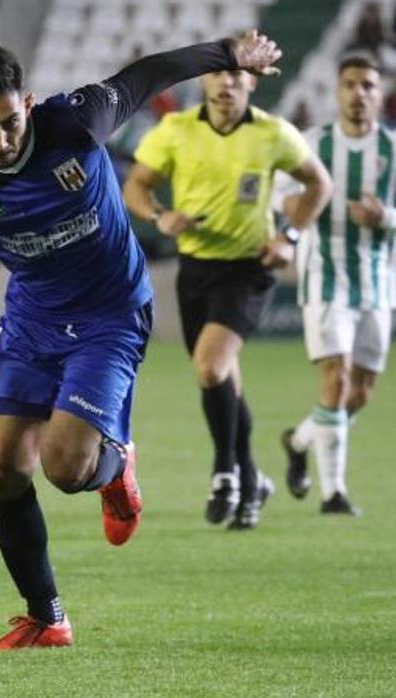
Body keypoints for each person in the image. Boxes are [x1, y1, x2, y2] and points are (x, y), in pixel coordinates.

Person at [0, 31, 286, 650]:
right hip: (32, 316)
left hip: (111, 313)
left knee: (67, 470)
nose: (0, 141)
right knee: (3, 469)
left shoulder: (77, 121)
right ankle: (47, 617)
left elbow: (152, 72)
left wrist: (228, 53)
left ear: (29, 104)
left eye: (10, 123)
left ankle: (116, 467)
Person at [124, 54, 333, 531]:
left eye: (236, 75)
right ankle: (253, 476)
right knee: (219, 379)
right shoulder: (175, 129)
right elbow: (135, 187)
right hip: (196, 267)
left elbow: (319, 184)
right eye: (219, 72)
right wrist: (160, 216)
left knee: (211, 366)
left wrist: (290, 237)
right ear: (207, 79)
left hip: (249, 266)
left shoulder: (273, 133)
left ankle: (225, 472)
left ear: (251, 84)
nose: (225, 83)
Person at [280, 54, 396, 515]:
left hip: (378, 285)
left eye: (368, 85)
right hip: (324, 279)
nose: (358, 93)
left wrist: (388, 217)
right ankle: (334, 494)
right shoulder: (310, 145)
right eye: (349, 84)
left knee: (359, 394)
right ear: (337, 92)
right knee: (336, 378)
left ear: (381, 95)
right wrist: (295, 209)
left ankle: (299, 440)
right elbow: (281, 196)